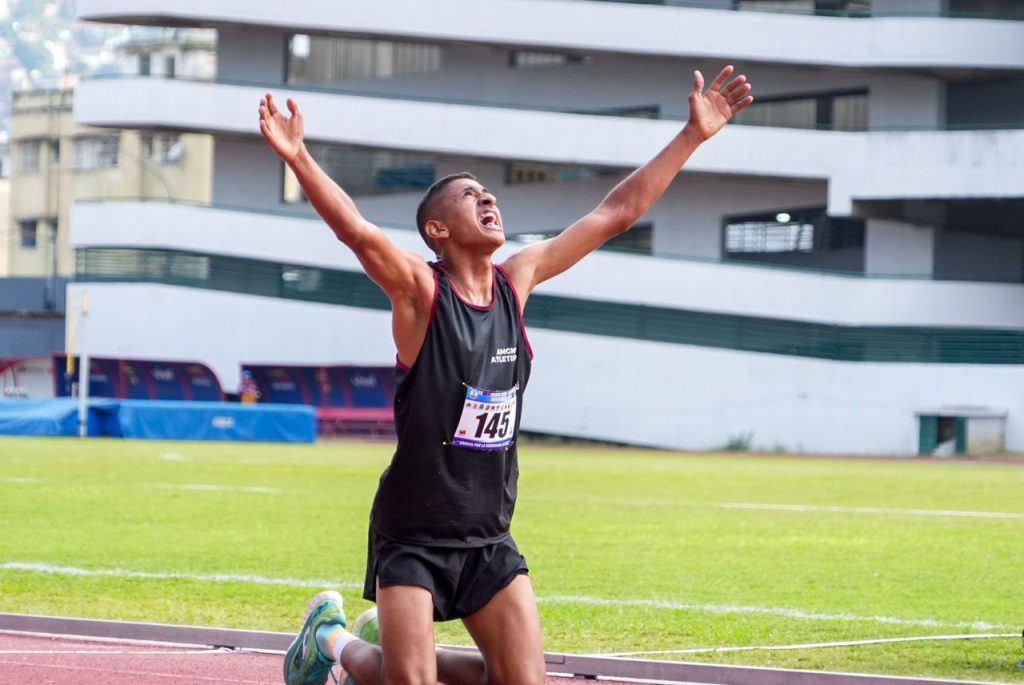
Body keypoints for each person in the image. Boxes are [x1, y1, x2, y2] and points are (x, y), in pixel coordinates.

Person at [259, 65, 753, 685]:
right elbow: (356, 231)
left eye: (489, 193)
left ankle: (369, 643)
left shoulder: (517, 282)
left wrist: (692, 136)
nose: (488, 199)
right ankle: (329, 640)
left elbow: (616, 213)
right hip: (413, 533)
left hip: (488, 535)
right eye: (470, 196)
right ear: (438, 229)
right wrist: (299, 156)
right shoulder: (420, 293)